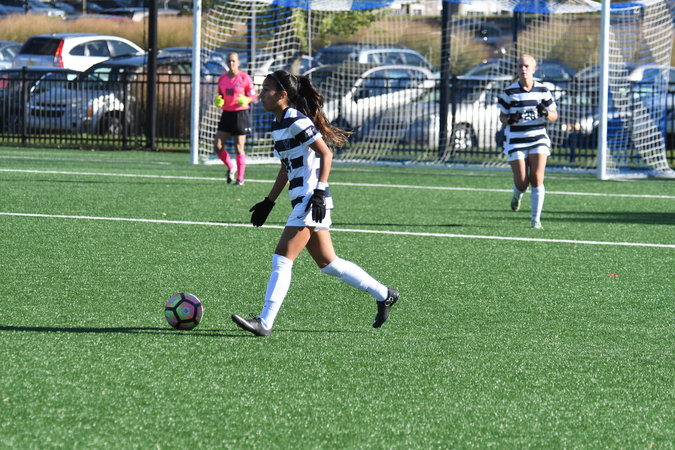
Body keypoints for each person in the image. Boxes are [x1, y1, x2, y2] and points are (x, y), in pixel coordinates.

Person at [231, 70, 399, 337]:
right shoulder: (277, 124)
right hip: (301, 198)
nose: (261, 94)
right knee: (330, 264)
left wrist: (319, 192)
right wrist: (269, 201)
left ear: (282, 95)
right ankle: (384, 294)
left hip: (311, 199)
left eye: (266, 89)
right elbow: (286, 167)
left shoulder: (296, 120)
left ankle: (265, 321)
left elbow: (326, 153)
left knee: (282, 258)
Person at [498, 54, 558, 229]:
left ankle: (535, 220)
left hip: (538, 138)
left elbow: (554, 115)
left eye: (526, 66)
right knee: (522, 183)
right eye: (520, 66)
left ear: (533, 69)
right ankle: (517, 195)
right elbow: (502, 117)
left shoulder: (543, 90)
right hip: (516, 140)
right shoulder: (509, 92)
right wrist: (510, 120)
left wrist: (546, 113)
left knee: (537, 178)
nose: (523, 69)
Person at [213, 52, 257, 186]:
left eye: (233, 61)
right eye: (229, 61)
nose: (231, 63)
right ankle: (231, 167)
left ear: (238, 63)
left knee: (239, 146)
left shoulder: (244, 78)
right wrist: (219, 100)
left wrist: (247, 99)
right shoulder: (222, 79)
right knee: (218, 145)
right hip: (226, 114)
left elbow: (254, 96)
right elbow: (220, 95)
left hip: (240, 114)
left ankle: (240, 178)